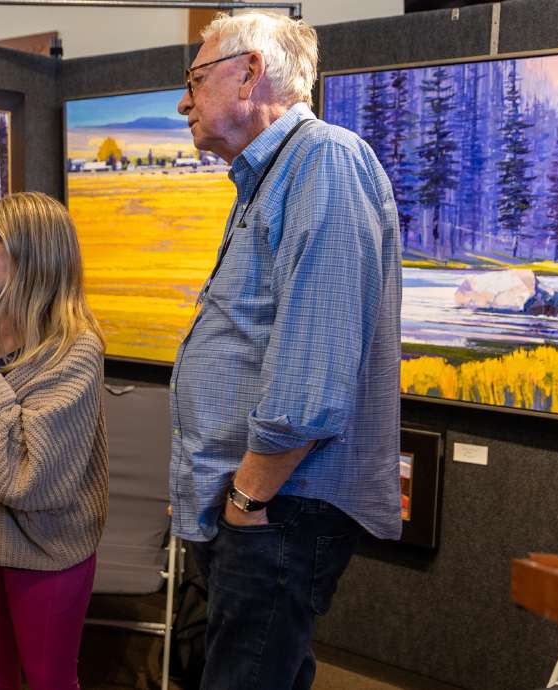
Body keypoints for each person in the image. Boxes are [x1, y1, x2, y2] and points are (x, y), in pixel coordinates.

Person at [170, 11, 402, 690]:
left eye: (194, 77)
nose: (184, 100)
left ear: (249, 72)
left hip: (279, 506)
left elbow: (313, 370)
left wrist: (246, 500)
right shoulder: (271, 178)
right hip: (260, 504)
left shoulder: (324, 160)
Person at [0, 191, 108, 690]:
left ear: (35, 253)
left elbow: (31, 474)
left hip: (44, 541)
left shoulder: (75, 350)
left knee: (49, 679)